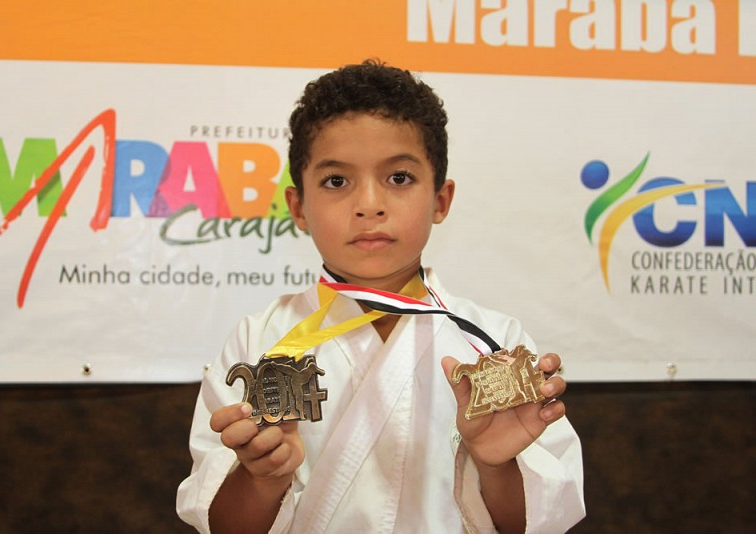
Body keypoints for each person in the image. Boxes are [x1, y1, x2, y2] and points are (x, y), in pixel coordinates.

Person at [177, 60, 585, 533]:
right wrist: (262, 478)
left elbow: (539, 522)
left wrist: (497, 466)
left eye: (399, 178)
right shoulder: (260, 340)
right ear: (298, 207)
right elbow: (221, 524)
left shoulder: (493, 345)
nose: (369, 205)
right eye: (336, 181)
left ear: (440, 200)